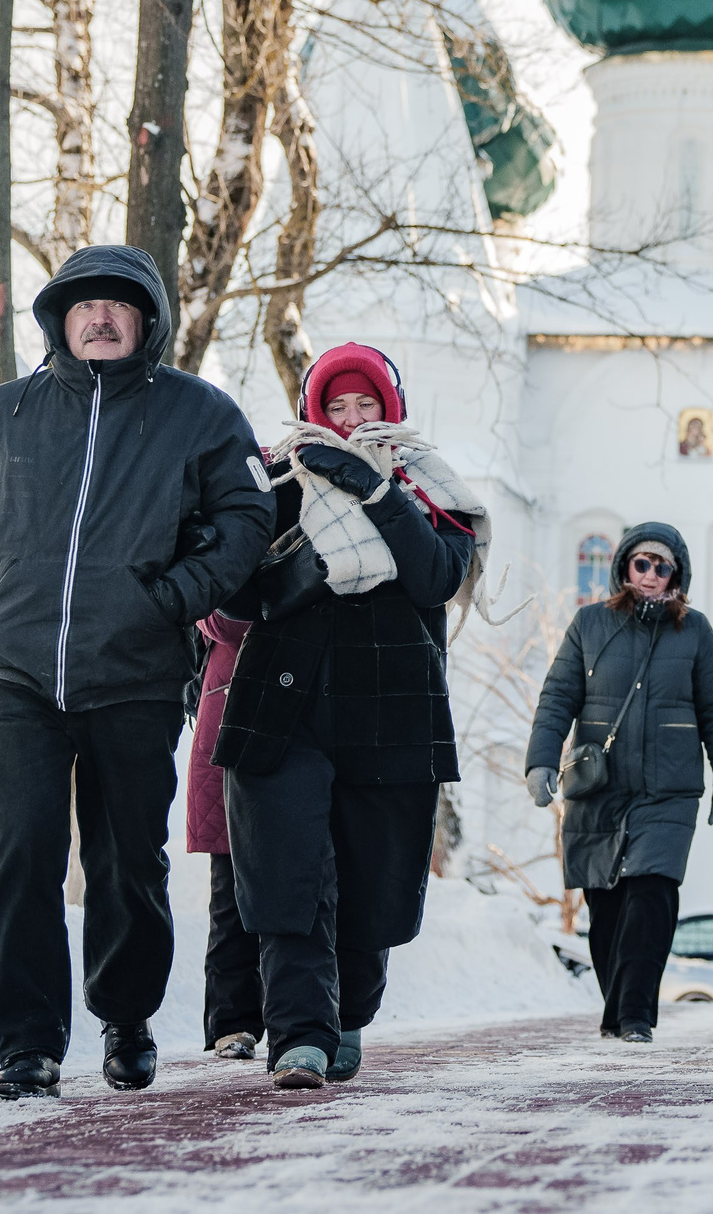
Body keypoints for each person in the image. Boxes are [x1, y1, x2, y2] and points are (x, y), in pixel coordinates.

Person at [0, 244, 277, 1101]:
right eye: (84, 304)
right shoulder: (6, 413)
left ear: (146, 319)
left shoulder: (198, 413)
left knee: (127, 862)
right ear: (60, 318)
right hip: (21, 675)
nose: (100, 316)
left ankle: (126, 1017)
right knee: (22, 858)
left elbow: (248, 514)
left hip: (137, 674)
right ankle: (27, 1044)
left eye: (118, 304)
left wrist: (173, 599)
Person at [211, 342, 488, 1091]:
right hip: (283, 701)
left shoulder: (429, 485)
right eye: (336, 406)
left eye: (366, 404)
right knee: (288, 872)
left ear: (390, 407)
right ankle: (299, 1035)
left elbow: (436, 575)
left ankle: (349, 1015)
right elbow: (239, 591)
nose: (351, 418)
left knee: (374, 877)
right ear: (314, 411)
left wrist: (374, 490)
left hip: (391, 706)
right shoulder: (280, 477)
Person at [523, 524, 713, 1043]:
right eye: (642, 563)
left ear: (676, 576)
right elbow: (557, 698)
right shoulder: (590, 624)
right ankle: (618, 1012)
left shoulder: (695, 632)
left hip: (669, 791)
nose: (650, 575)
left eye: (661, 566)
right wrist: (539, 762)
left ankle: (635, 1017)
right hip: (600, 788)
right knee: (606, 906)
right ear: (625, 566)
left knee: (652, 893)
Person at [188, 610, 261, 1060]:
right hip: (228, 715)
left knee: (310, 888)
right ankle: (232, 1022)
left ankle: (302, 1020)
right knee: (231, 895)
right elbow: (222, 621)